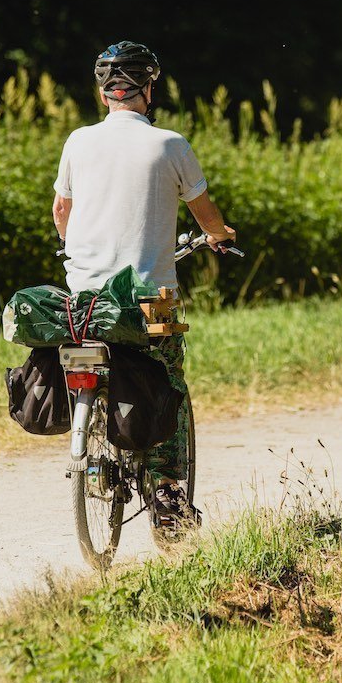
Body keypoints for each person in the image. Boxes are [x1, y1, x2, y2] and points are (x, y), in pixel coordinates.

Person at [51, 40, 234, 531]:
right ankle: (170, 504)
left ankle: (96, 439)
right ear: (148, 88)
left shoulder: (78, 141)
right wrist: (217, 235)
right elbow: (203, 211)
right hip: (151, 299)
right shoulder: (170, 144)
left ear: (103, 90)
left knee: (98, 363)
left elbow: (61, 213)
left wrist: (74, 246)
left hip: (84, 296)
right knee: (168, 382)